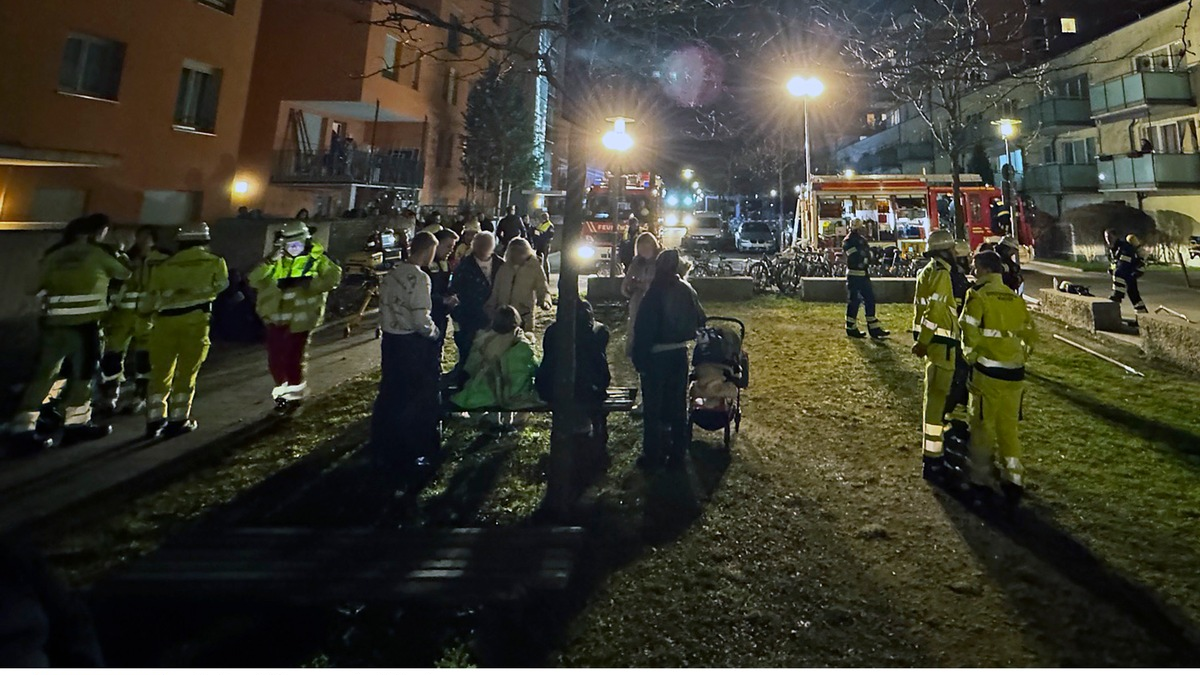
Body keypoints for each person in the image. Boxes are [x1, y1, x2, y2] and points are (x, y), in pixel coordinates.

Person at [7, 215, 130, 451]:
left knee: (44, 375)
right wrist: (116, 252)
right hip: (85, 327)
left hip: (53, 326)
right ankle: (77, 425)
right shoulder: (98, 254)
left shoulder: (54, 255)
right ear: (97, 232)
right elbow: (125, 273)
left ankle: (23, 429)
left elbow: (31, 288)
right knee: (83, 376)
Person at [960, 250, 1038, 505]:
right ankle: (1014, 477)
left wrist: (971, 355)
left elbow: (968, 327)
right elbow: (1030, 334)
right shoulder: (1014, 298)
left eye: (974, 266)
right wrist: (1019, 356)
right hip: (1015, 374)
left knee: (982, 427)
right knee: (1009, 428)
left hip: (988, 373)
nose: (973, 270)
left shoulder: (978, 295)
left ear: (983, 269)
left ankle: (979, 480)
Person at [142, 223, 229, 438]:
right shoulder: (215, 263)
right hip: (195, 323)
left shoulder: (165, 266)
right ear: (205, 241)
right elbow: (222, 286)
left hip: (164, 323)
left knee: (160, 373)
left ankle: (154, 420)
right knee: (186, 374)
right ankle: (178, 420)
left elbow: (151, 297)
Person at [248, 221, 342, 412]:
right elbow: (254, 279)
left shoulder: (317, 259)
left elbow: (333, 277)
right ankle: (283, 396)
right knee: (275, 361)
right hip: (276, 319)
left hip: (301, 320)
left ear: (306, 241)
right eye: (289, 245)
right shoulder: (276, 260)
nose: (293, 249)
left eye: (297, 244)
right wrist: (270, 261)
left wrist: (309, 285)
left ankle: (294, 399)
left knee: (292, 359)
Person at [371, 231, 442, 477]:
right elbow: (420, 317)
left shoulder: (392, 274)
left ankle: (383, 444)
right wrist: (434, 334)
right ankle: (411, 449)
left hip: (390, 339)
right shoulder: (419, 278)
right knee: (414, 397)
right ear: (427, 250)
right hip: (411, 343)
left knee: (391, 392)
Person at [631, 250, 706, 470]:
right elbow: (701, 318)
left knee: (653, 408)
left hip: (655, 355)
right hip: (678, 354)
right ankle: (677, 452)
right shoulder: (686, 289)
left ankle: (653, 453)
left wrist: (639, 359)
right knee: (677, 405)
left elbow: (644, 329)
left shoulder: (654, 293)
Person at [97, 226, 169, 416]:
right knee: (112, 356)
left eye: (144, 236)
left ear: (153, 238)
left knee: (144, 359)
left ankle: (140, 396)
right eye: (139, 236)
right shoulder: (127, 259)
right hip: (124, 315)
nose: (140, 240)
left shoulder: (162, 260)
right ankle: (110, 396)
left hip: (148, 316)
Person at [910, 230, 961, 482]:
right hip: (942, 345)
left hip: (935, 345)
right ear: (944, 251)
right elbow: (935, 311)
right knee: (936, 402)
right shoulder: (941, 275)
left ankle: (934, 453)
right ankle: (933, 459)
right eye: (952, 249)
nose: (955, 253)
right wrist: (924, 342)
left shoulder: (926, 272)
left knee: (935, 399)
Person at [451, 305, 542, 430]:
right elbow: (533, 367)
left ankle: (491, 421)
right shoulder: (523, 345)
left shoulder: (484, 340)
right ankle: (508, 422)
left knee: (487, 386)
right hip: (517, 391)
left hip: (487, 389)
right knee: (513, 382)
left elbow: (471, 367)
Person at [535, 298, 611, 432]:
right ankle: (598, 433)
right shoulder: (598, 332)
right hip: (587, 390)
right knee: (594, 398)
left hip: (551, 388)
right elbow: (601, 368)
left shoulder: (552, 331)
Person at [449, 231, 503, 375]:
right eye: (480, 245)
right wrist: (458, 314)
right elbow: (456, 289)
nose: (483, 248)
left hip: (494, 315)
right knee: (469, 351)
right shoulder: (465, 266)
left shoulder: (500, 264)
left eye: (486, 245)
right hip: (471, 315)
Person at [486, 237, 551, 333]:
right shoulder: (504, 268)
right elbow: (496, 291)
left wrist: (545, 302)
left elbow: (543, 288)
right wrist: (490, 308)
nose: (517, 254)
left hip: (524, 316)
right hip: (503, 317)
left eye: (520, 251)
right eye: (514, 251)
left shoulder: (534, 268)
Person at [844, 220, 889, 339]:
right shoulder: (848, 241)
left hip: (863, 274)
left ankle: (873, 328)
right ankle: (851, 328)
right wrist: (865, 257)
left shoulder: (860, 239)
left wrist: (870, 256)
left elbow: (866, 255)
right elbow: (855, 257)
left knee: (870, 300)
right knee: (854, 301)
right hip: (854, 275)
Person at [621, 232, 660, 360]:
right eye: (641, 248)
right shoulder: (637, 262)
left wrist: (648, 285)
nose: (644, 250)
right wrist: (632, 287)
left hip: (656, 301)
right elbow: (625, 285)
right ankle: (635, 351)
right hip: (639, 300)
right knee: (635, 325)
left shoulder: (660, 262)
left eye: (647, 246)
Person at [426, 229, 460, 355]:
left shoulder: (445, 263)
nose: (451, 250)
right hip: (428, 314)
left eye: (453, 247)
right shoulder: (425, 265)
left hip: (441, 313)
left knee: (438, 347)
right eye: (448, 246)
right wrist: (442, 300)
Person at [1105, 229, 1148, 314]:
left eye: (1110, 237)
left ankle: (1117, 294)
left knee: (1119, 273)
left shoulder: (1124, 247)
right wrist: (1111, 268)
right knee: (1133, 292)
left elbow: (1123, 264)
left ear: (1115, 236)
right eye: (1106, 237)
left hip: (1134, 270)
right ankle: (1142, 313)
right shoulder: (1114, 248)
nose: (1108, 239)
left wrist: (1117, 293)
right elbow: (1115, 262)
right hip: (1130, 271)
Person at [531, 211, 555, 278]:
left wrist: (539, 233)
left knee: (545, 260)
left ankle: (546, 275)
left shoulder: (550, 225)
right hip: (539, 244)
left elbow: (549, 235)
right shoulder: (541, 224)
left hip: (545, 245)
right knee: (539, 259)